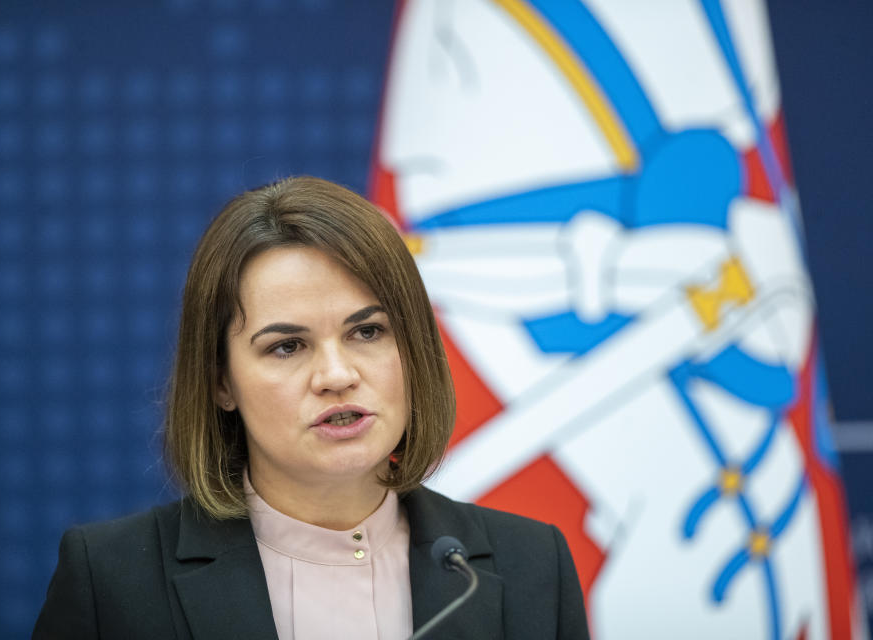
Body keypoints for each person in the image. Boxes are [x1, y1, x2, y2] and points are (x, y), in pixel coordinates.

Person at [32, 176, 589, 639]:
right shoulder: (112, 582)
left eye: (367, 331)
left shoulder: (531, 566)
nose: (337, 375)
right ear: (221, 382)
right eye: (287, 346)